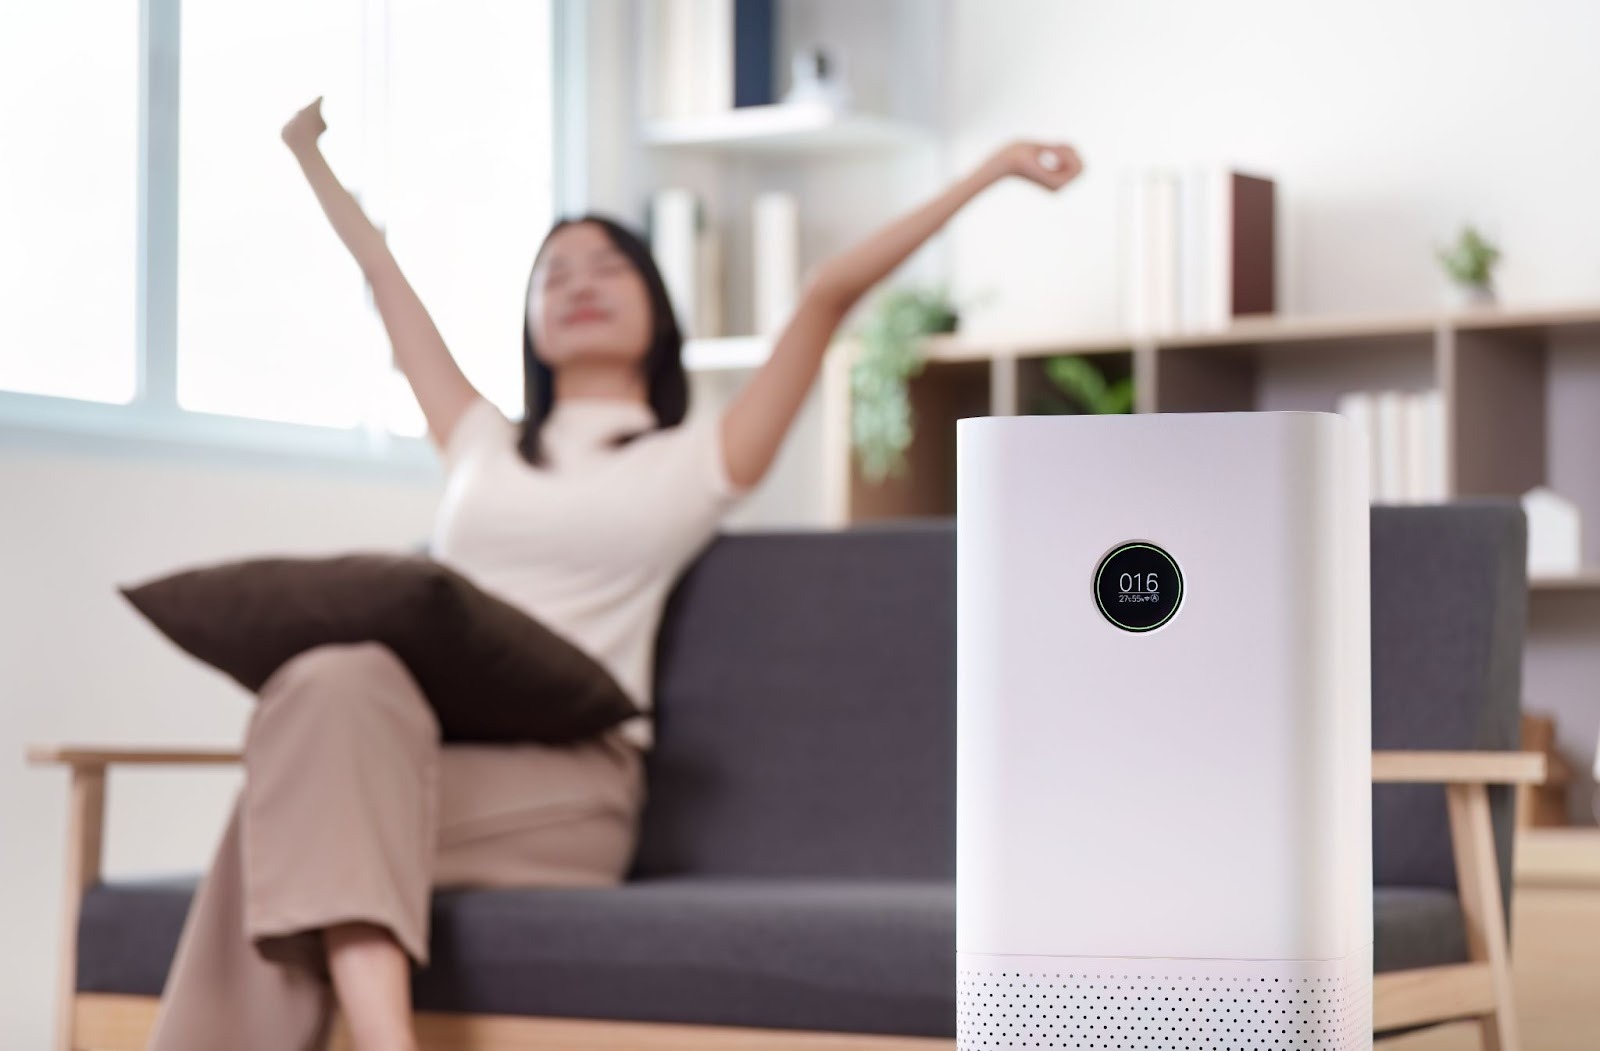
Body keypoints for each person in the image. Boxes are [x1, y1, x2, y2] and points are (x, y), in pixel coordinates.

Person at [145, 95, 1083, 1051]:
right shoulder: (478, 441)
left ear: (658, 311)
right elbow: (385, 278)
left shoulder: (703, 456)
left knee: (282, 818)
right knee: (334, 678)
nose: (578, 283)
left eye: (608, 267)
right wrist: (309, 157)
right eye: (554, 273)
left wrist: (990, 169)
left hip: (567, 786)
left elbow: (826, 296)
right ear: (529, 321)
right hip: (418, 752)